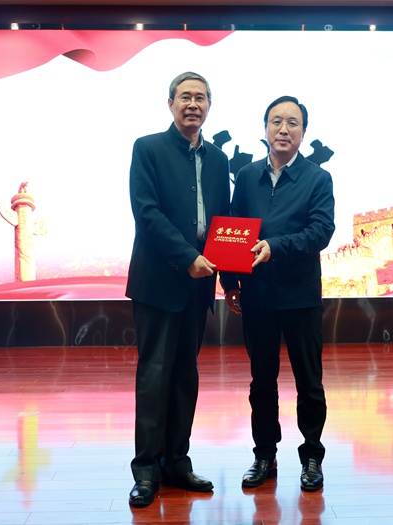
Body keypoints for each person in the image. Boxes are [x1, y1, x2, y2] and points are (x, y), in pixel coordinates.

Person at [126, 72, 230, 507]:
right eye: (185, 97)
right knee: (154, 375)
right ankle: (147, 470)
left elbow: (223, 225)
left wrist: (230, 279)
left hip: (199, 286)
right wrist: (187, 257)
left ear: (209, 106)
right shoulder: (148, 148)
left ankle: (177, 463)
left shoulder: (219, 160)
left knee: (185, 375)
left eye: (200, 98)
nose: (193, 104)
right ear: (170, 104)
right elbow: (146, 213)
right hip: (158, 281)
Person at [221, 96, 335, 491]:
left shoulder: (318, 179)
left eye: (292, 123)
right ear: (266, 128)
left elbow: (321, 231)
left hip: (301, 296)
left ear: (303, 131)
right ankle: (264, 455)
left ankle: (312, 457)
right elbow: (233, 229)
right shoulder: (247, 176)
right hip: (258, 297)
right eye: (276, 121)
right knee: (261, 382)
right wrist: (230, 282)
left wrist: (276, 246)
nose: (283, 129)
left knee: (310, 382)